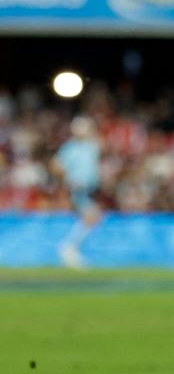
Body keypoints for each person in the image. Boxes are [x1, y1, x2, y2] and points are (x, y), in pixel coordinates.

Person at [52, 115, 102, 269]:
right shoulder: (71, 148)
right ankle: (69, 247)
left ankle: (71, 247)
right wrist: (69, 180)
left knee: (93, 217)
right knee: (93, 216)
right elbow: (56, 165)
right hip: (79, 188)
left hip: (91, 188)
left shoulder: (92, 146)